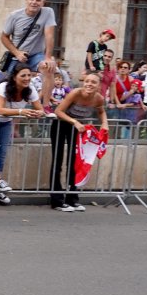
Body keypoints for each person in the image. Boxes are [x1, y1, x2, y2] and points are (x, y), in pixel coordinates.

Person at [0, 63, 43, 205]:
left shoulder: (30, 89)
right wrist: (21, 111)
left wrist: (37, 113)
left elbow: (40, 109)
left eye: (29, 75)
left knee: (3, 151)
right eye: (23, 75)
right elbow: (0, 109)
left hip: (6, 121)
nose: (27, 78)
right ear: (14, 77)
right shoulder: (4, 86)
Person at [49, 72, 109, 211]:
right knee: (58, 161)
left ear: (99, 85)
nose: (89, 84)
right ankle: (57, 201)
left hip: (77, 128)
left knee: (75, 162)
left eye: (93, 82)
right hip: (61, 125)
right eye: (87, 81)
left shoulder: (98, 99)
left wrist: (105, 123)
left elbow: (101, 111)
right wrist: (74, 121)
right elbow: (58, 111)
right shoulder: (76, 93)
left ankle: (72, 198)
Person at [0, 0, 57, 74]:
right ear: (26, 0)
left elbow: (49, 36)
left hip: (36, 55)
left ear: (43, 3)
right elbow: (4, 37)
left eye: (38, 0)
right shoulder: (15, 16)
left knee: (47, 69)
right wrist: (17, 53)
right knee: (13, 79)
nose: (34, 2)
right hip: (19, 55)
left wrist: (48, 57)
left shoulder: (48, 12)